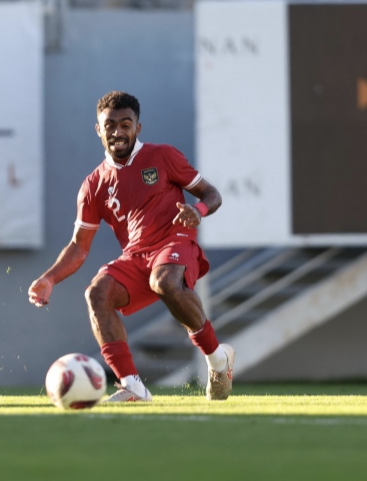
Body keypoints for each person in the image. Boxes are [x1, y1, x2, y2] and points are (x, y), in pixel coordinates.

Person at [28, 91, 235, 402]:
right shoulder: (93, 185)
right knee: (97, 294)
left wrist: (198, 211)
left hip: (175, 240)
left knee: (164, 281)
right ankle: (132, 386)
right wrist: (49, 278)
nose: (118, 132)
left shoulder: (163, 156)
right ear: (98, 130)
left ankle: (218, 360)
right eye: (110, 125)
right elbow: (79, 247)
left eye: (126, 124)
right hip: (137, 256)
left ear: (138, 128)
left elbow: (212, 194)